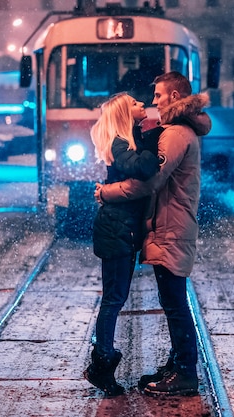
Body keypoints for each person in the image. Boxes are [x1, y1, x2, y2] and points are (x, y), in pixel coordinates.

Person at [95, 71, 211, 396]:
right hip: (169, 224)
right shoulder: (175, 131)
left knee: (175, 304)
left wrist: (108, 192)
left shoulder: (174, 134)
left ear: (174, 97)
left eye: (158, 95)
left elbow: (150, 181)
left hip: (172, 226)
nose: (153, 101)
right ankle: (178, 364)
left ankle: (185, 372)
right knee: (172, 300)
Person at [84, 93, 161, 397]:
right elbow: (143, 168)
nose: (143, 104)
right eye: (135, 103)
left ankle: (102, 359)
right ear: (124, 114)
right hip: (116, 229)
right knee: (113, 299)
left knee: (115, 297)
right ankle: (101, 364)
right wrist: (157, 143)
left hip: (120, 229)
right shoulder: (121, 143)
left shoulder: (129, 140)